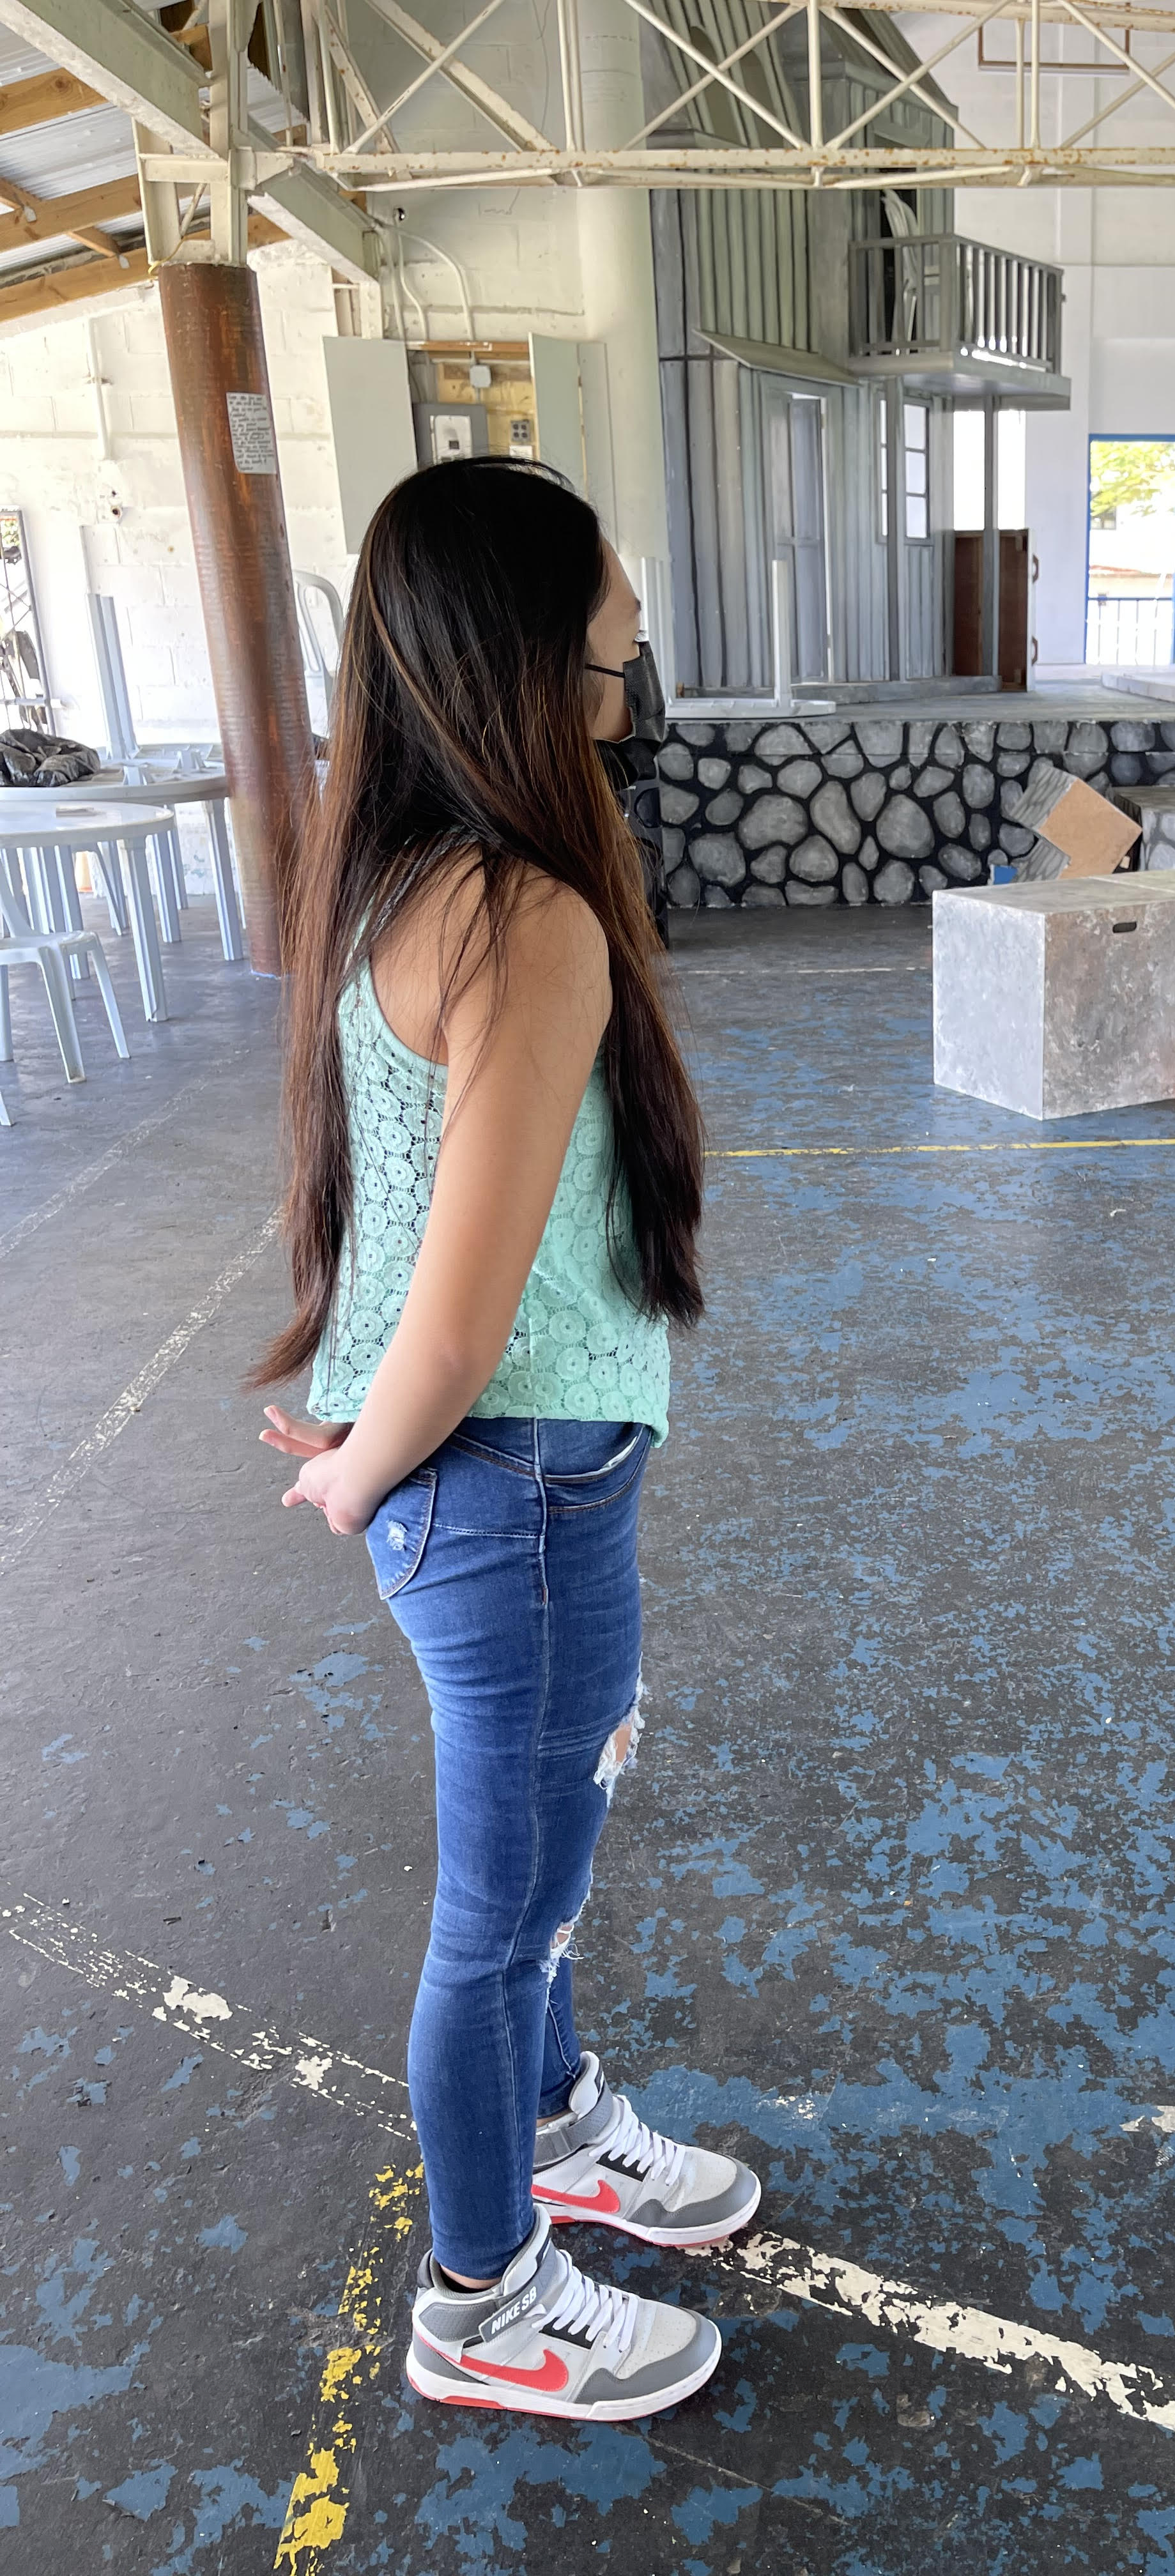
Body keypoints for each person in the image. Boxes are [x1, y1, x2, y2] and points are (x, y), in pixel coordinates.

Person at [256, 457, 760, 2423]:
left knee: (540, 1867)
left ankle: (554, 2125)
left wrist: (360, 1409)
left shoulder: (395, 875)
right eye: (619, 657)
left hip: (488, 1478)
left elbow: (396, 1211)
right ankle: (485, 2299)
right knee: (508, 1916)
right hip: (508, 1488)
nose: (635, 690)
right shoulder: (524, 914)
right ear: (531, 668)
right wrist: (364, 1458)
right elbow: (464, 1308)